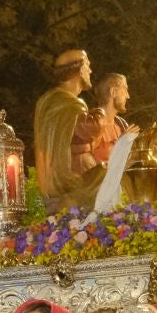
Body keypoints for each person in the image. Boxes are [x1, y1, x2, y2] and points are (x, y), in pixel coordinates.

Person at [32, 49, 105, 212]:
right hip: (70, 184)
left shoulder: (49, 100)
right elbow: (88, 131)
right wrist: (101, 114)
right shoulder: (68, 103)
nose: (90, 71)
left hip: (55, 186)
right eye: (88, 65)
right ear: (78, 69)